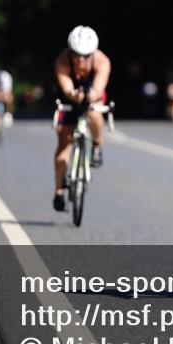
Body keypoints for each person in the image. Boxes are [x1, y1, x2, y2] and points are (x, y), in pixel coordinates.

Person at [52, 25, 112, 212]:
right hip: (70, 95)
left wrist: (90, 96)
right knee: (64, 143)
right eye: (76, 54)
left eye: (85, 56)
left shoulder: (102, 62)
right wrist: (72, 93)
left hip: (91, 93)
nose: (80, 60)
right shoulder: (62, 61)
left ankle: (97, 145)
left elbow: (99, 88)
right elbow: (66, 85)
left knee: (94, 114)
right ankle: (59, 191)